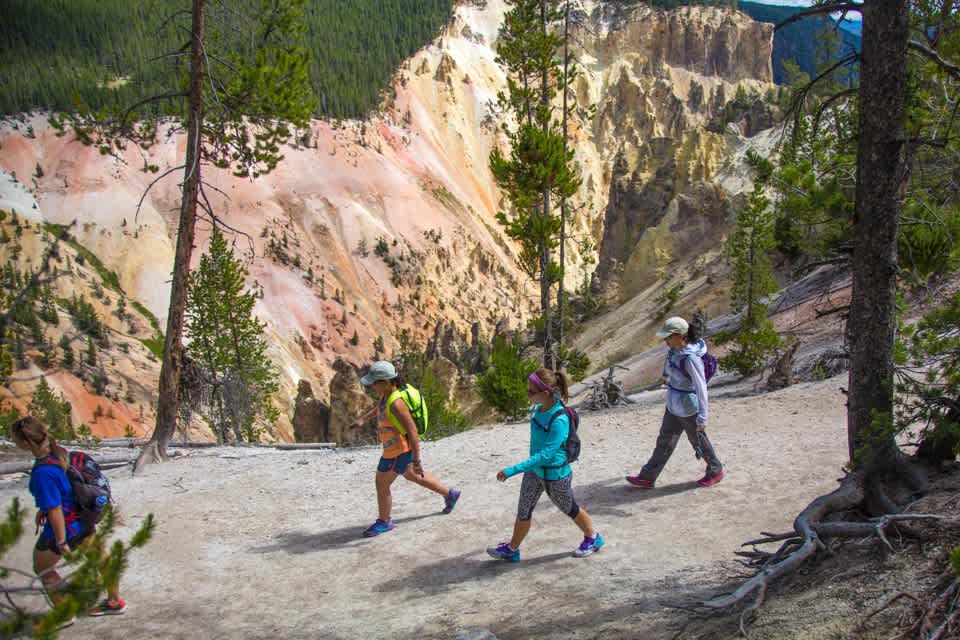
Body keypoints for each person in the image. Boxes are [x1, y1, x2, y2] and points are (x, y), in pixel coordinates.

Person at [10, 416, 127, 623]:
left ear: (27, 443)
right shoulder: (59, 452)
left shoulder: (43, 472)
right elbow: (64, 490)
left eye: (17, 441)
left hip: (65, 525)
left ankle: (64, 612)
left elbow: (55, 508)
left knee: (43, 568)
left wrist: (61, 540)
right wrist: (43, 510)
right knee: (101, 559)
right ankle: (115, 600)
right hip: (83, 516)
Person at [487, 368, 605, 562]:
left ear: (546, 393)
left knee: (569, 508)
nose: (527, 395)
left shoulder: (560, 420)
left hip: (554, 475)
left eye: (531, 392)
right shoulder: (537, 408)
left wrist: (512, 470)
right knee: (524, 510)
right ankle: (512, 549)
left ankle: (593, 537)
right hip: (535, 472)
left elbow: (546, 455)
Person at [352, 360, 461, 537]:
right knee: (411, 475)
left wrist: (417, 460)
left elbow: (412, 432)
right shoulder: (387, 395)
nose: (371, 385)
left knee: (381, 483)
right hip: (397, 449)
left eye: (374, 382)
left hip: (397, 451)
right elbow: (380, 409)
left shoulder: (396, 403)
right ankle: (450, 494)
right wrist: (363, 419)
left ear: (386, 382)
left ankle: (384, 521)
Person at [626, 316, 724, 489]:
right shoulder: (674, 351)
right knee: (664, 441)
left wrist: (702, 417)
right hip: (673, 405)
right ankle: (647, 477)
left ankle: (715, 471)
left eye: (668, 337)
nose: (665, 340)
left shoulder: (691, 358)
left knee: (698, 441)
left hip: (688, 408)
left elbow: (701, 387)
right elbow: (669, 366)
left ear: (680, 335)